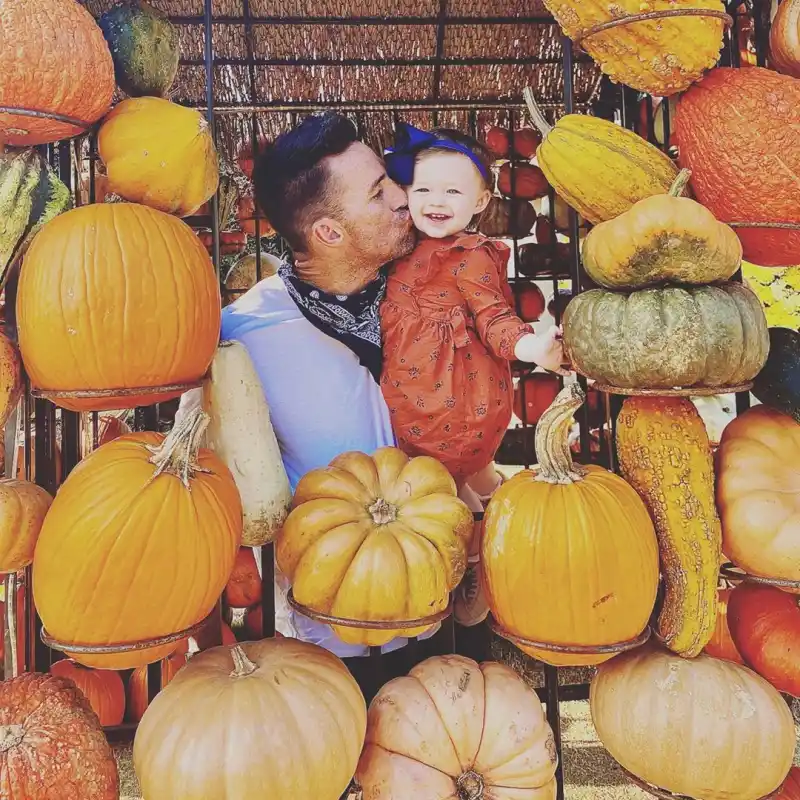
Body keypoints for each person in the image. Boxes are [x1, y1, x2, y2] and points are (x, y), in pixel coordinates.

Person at [176, 112, 483, 701]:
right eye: (378, 193)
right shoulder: (246, 335)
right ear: (329, 233)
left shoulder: (440, 285)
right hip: (330, 633)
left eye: (390, 179)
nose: (403, 197)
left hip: (444, 594)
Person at [380, 124, 567, 503]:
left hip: (452, 397)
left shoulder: (470, 255)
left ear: (481, 202)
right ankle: (488, 501)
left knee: (442, 487)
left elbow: (494, 317)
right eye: (423, 190)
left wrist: (532, 349)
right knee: (439, 479)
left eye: (453, 191)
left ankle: (479, 538)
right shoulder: (397, 242)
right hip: (407, 395)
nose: (436, 201)